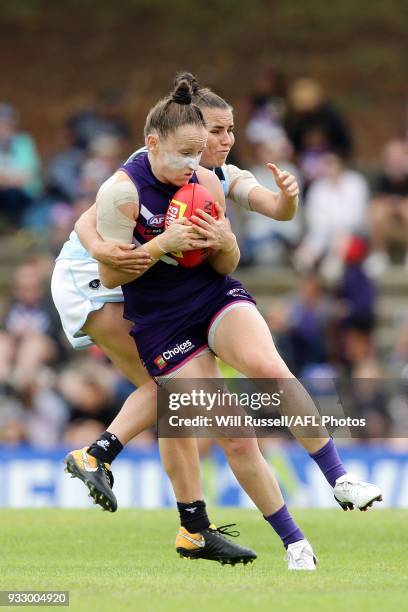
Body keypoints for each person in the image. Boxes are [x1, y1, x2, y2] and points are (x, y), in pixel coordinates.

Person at [52, 74, 382, 570]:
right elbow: (90, 228)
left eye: (228, 133)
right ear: (180, 132)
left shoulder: (212, 175)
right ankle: (118, 471)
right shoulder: (134, 179)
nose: (224, 143)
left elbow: (263, 222)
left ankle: (318, 486)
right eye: (216, 133)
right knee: (180, 403)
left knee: (244, 381)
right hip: (98, 288)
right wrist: (135, 245)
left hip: (201, 297)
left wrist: (236, 237)